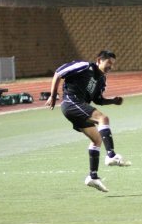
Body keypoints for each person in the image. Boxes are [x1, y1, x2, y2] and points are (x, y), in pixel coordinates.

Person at [45, 50, 131, 192]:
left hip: (79, 107)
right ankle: (111, 155)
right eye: (109, 62)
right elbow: (59, 73)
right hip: (71, 102)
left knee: (97, 140)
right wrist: (53, 96)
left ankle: (93, 177)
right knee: (103, 119)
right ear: (98, 60)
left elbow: (98, 99)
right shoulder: (84, 66)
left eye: (113, 64)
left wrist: (113, 101)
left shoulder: (102, 79)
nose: (111, 66)